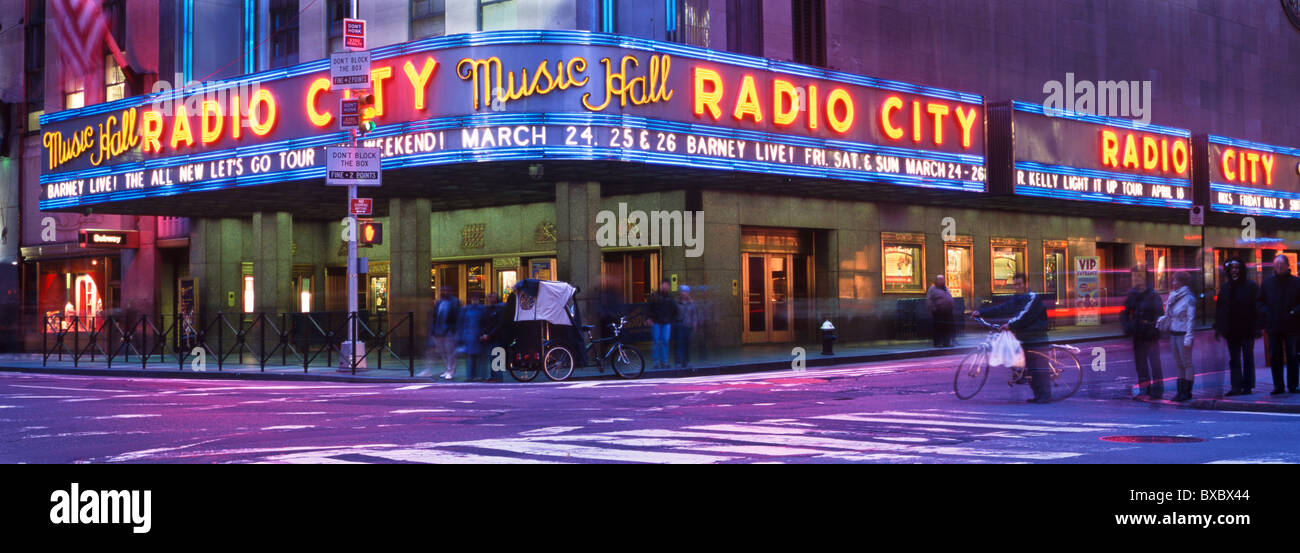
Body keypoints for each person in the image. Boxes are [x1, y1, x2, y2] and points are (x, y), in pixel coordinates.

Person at [971, 273, 1051, 403]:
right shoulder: (1017, 298)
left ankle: (1045, 396)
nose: (1017, 287)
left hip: (1036, 337)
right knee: (1030, 368)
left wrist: (1010, 325)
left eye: (1019, 284)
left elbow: (1024, 315)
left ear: (1026, 284)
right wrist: (982, 313)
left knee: (1039, 368)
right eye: (1015, 284)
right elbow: (1003, 308)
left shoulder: (1032, 298)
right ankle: (1037, 395)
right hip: (1023, 337)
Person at [1214, 258, 1259, 396]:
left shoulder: (1251, 286)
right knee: (1234, 359)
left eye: (1237, 268)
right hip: (1231, 330)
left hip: (1247, 328)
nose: (1234, 270)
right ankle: (1236, 386)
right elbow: (1220, 309)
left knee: (1248, 357)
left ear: (1242, 270)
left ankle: (1248, 386)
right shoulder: (1225, 288)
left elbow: (1257, 308)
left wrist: (1257, 327)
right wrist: (1219, 327)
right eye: (1232, 268)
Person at [1257, 255, 1300, 395]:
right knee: (1275, 356)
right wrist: (1266, 312)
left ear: (1288, 266)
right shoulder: (1267, 283)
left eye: (1282, 264)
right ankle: (1278, 385)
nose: (1279, 267)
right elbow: (1259, 302)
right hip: (1273, 325)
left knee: (1292, 355)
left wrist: (1294, 311)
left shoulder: (1296, 282)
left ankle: (1293, 385)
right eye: (1277, 265)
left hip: (1291, 325)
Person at [1122, 266, 1165, 400]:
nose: (1136, 279)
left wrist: (1155, 328)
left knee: (1154, 363)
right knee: (1140, 363)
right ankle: (1144, 389)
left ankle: (1157, 390)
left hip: (1150, 333)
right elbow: (1124, 312)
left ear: (1145, 278)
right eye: (1134, 276)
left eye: (1139, 276)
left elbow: (1160, 314)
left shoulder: (1153, 294)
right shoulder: (1132, 294)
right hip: (1138, 333)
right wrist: (1128, 326)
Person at [1162, 271, 1197, 401]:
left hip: (1183, 334)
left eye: (1175, 281)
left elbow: (1191, 319)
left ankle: (1187, 392)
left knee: (1186, 363)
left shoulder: (1189, 298)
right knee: (1179, 363)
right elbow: (1169, 315)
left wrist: (1189, 338)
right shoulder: (1173, 296)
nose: (1173, 283)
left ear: (1181, 282)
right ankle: (1180, 391)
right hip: (1174, 333)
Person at [427, 285, 461, 380]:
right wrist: (433, 330)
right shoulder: (438, 302)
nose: (444, 292)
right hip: (438, 330)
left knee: (450, 352)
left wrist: (454, 330)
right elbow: (435, 316)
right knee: (443, 352)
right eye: (442, 290)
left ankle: (451, 371)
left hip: (449, 331)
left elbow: (457, 317)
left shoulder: (454, 302)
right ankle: (447, 369)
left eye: (446, 290)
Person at [646, 280, 678, 369]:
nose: (665, 287)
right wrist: (649, 318)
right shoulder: (655, 296)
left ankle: (663, 362)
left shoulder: (670, 297)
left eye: (666, 285)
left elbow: (674, 310)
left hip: (666, 323)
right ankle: (657, 362)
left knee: (664, 342)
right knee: (657, 342)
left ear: (668, 287)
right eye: (664, 285)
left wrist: (671, 319)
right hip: (657, 322)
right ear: (661, 286)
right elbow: (649, 307)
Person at [457, 292, 488, 381]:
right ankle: (471, 376)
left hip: (477, 336)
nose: (474, 299)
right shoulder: (466, 309)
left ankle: (478, 376)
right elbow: (461, 324)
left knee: (478, 358)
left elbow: (485, 323)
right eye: (473, 297)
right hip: (470, 336)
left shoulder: (481, 309)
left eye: (476, 297)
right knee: (471, 358)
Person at [481, 292, 506, 382]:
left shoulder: (499, 309)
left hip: (497, 336)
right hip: (493, 336)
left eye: (492, 297)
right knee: (494, 356)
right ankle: (494, 376)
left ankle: (498, 377)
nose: (490, 299)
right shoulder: (493, 309)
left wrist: (489, 334)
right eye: (489, 297)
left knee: (496, 356)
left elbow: (499, 324)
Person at [674, 285, 700, 370]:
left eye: (686, 291)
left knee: (687, 344)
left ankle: (686, 361)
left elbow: (694, 314)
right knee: (679, 344)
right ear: (680, 293)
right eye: (683, 291)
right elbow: (674, 313)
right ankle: (678, 362)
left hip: (688, 325)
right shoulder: (677, 302)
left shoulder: (692, 303)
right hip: (680, 325)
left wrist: (694, 323)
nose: (684, 293)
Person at [927, 275, 956, 347]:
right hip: (938, 312)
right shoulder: (933, 289)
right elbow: (929, 300)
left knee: (947, 327)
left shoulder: (945, 288)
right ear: (936, 280)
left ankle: (947, 342)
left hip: (948, 312)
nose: (942, 281)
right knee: (938, 328)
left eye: (943, 280)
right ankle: (937, 343)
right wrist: (933, 308)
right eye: (940, 280)